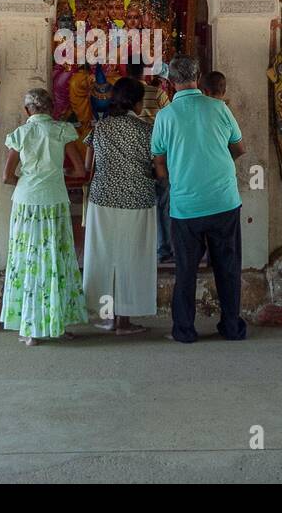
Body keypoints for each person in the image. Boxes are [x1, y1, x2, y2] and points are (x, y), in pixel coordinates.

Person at [150, 55, 247, 343]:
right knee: (227, 267)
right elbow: (239, 148)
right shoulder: (219, 108)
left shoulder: (165, 116)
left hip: (185, 206)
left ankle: (184, 330)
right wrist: (217, 165)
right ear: (198, 75)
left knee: (186, 271)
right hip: (224, 201)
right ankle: (231, 327)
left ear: (170, 81)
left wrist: (174, 179)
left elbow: (158, 161)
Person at [0, 88, 88, 346]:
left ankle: (29, 329)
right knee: (55, 259)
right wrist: (55, 177)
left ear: (28, 110)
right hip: (54, 201)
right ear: (53, 109)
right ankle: (56, 323)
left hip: (26, 202)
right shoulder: (62, 131)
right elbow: (79, 169)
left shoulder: (20, 134)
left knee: (27, 259)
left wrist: (29, 181)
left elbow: (7, 177)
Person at [82, 77, 158, 335]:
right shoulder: (146, 130)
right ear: (136, 103)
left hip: (102, 199)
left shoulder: (100, 129)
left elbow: (86, 167)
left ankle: (105, 316)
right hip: (137, 200)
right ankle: (124, 321)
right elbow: (158, 167)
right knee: (133, 258)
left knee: (102, 256)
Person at [127, 61, 172, 262]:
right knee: (163, 202)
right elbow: (171, 118)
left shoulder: (122, 94)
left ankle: (138, 247)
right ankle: (164, 248)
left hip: (133, 154)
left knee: (137, 204)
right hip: (159, 153)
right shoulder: (157, 93)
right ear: (146, 71)